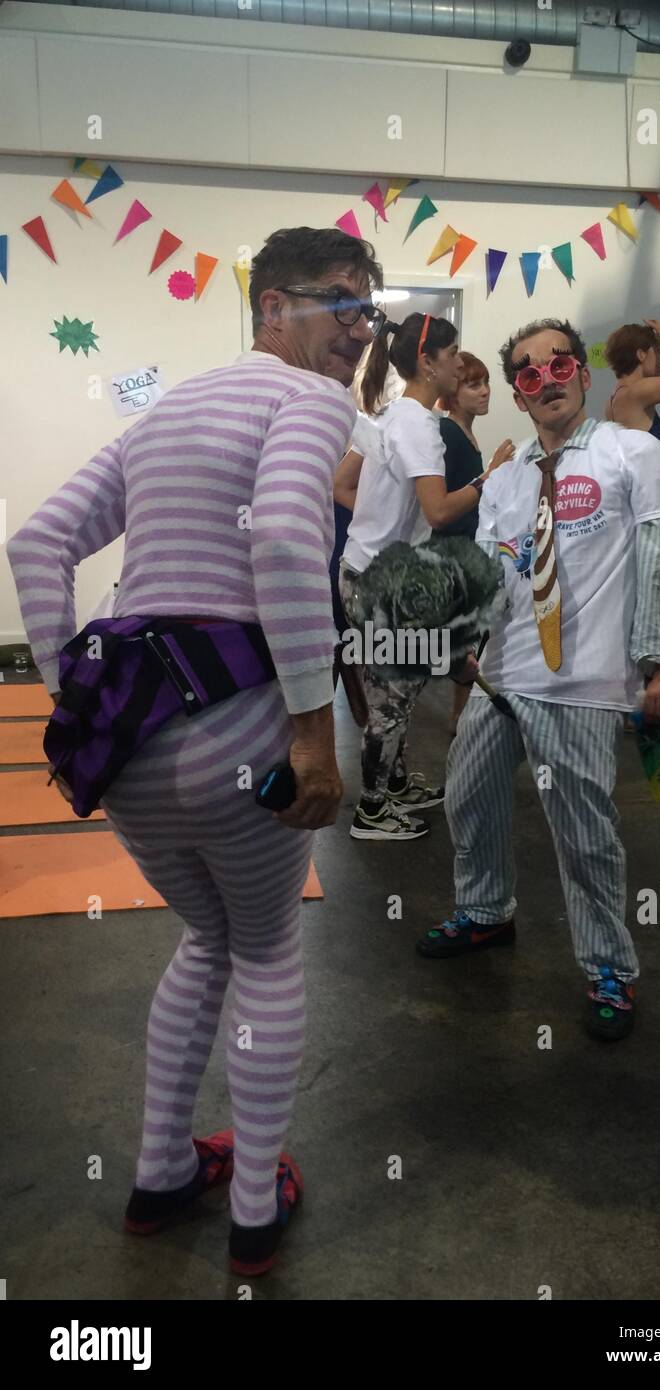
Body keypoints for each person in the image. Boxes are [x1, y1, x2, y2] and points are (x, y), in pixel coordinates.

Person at [7, 225, 384, 1276]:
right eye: (338, 302)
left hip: (130, 742)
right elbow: (277, 535)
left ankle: (161, 1171)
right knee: (264, 949)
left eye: (368, 304)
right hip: (243, 726)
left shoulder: (166, 408)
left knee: (206, 942)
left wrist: (68, 690)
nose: (358, 327)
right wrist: (314, 728)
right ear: (270, 307)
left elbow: (36, 542)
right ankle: (255, 1211)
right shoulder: (311, 399)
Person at [415, 317, 660, 1043]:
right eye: (528, 373)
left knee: (582, 836)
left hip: (582, 687)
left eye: (557, 364)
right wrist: (468, 640)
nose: (546, 380)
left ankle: (609, 967)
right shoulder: (504, 479)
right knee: (468, 801)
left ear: (583, 374)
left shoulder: (631, 454)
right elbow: (491, 570)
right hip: (502, 678)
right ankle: (484, 914)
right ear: (517, 392)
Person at [338, 313, 506, 841]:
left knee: (398, 692)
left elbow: (342, 485)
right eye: (454, 355)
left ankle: (395, 784)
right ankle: (371, 810)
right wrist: (489, 477)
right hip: (380, 586)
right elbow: (437, 512)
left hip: (362, 571)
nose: (460, 363)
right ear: (428, 363)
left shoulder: (389, 415)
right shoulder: (420, 427)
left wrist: (377, 526)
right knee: (391, 699)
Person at [432, 350, 514, 734]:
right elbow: (446, 502)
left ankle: (461, 716)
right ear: (452, 390)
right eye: (473, 384)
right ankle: (459, 718)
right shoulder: (448, 432)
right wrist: (494, 470)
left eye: (485, 384)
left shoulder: (465, 432)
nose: (484, 393)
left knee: (470, 639)